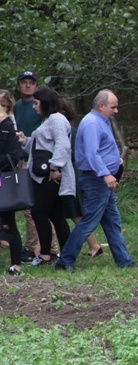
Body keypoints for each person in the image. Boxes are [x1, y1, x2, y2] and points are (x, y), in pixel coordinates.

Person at [55, 90, 137, 271]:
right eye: (113, 107)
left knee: (112, 222)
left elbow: (101, 149)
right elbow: (92, 153)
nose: (116, 111)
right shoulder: (92, 123)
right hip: (96, 180)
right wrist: (106, 174)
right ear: (101, 105)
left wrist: (115, 160)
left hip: (102, 180)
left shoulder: (101, 121)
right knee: (89, 222)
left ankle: (123, 261)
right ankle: (65, 260)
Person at [18, 87, 74, 266]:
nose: (34, 107)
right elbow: (40, 147)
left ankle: (45, 255)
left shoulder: (57, 119)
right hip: (42, 174)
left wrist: (55, 166)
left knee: (39, 212)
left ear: (45, 102)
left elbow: (62, 144)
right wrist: (25, 141)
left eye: (36, 103)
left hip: (49, 176)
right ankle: (65, 254)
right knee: (56, 214)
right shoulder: (47, 121)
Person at [59, 98, 103, 257]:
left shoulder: (68, 131)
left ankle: (94, 246)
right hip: (71, 172)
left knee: (75, 212)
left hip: (71, 173)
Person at [13, 71, 47, 263]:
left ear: (36, 85)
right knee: (27, 205)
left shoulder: (40, 106)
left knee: (37, 205)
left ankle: (37, 246)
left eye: (31, 83)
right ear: (18, 86)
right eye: (24, 82)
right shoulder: (17, 107)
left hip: (38, 158)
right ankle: (34, 245)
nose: (27, 86)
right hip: (22, 159)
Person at [0, 105, 23, 275]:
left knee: (8, 223)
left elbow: (13, 157)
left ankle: (16, 263)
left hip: (4, 182)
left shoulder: (7, 126)